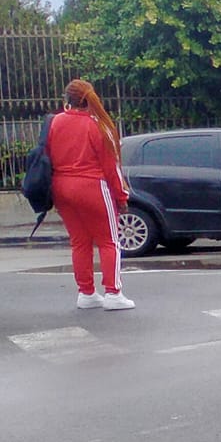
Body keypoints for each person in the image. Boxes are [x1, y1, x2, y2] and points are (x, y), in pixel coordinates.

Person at [48, 77, 133, 310]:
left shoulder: (55, 123)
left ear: (67, 100)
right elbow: (111, 167)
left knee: (79, 242)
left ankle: (86, 292)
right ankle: (113, 293)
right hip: (92, 187)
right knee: (109, 241)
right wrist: (121, 197)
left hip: (61, 187)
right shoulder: (98, 125)